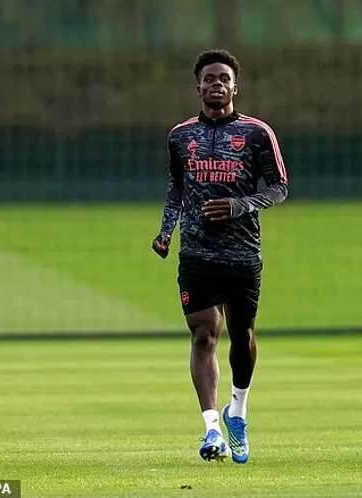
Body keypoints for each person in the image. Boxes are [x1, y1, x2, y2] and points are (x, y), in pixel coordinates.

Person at [151, 49, 288, 463]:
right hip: (196, 253)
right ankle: (211, 429)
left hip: (243, 251)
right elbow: (177, 187)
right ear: (198, 86)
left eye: (223, 78)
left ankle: (238, 411)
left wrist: (238, 205)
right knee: (204, 333)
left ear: (234, 86)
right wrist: (165, 231)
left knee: (242, 335)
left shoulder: (257, 133)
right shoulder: (180, 136)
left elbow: (278, 187)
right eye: (208, 78)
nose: (216, 84)